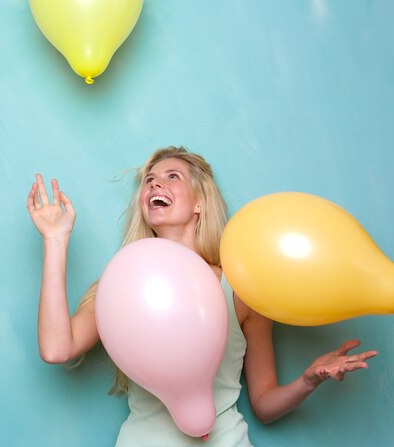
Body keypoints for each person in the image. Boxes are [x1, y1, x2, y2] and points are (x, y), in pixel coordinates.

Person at [26, 146, 378, 446]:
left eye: (172, 177)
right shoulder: (120, 286)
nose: (155, 184)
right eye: (149, 180)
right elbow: (57, 349)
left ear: (199, 203)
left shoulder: (242, 290)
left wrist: (307, 380)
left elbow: (265, 404)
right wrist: (55, 240)